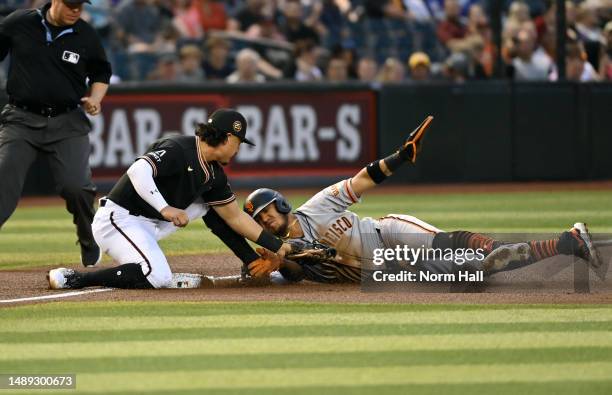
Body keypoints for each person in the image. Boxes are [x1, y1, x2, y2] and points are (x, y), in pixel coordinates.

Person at [240, 118, 599, 284]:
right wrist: (278, 260)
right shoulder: (279, 250)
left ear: (281, 204)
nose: (265, 220)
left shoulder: (316, 205)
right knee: (479, 270)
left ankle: (531, 245)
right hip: (388, 268)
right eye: (258, 219)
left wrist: (399, 157)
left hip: (387, 235)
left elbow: (362, 180)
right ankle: (569, 241)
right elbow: (295, 270)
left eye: (266, 211)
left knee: (452, 243)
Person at [47, 109, 293, 289]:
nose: (239, 149)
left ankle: (250, 265)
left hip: (149, 225)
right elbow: (138, 170)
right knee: (157, 276)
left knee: (212, 208)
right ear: (228, 138)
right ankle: (77, 278)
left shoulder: (214, 173)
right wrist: (165, 208)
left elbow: (235, 218)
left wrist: (277, 247)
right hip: (119, 219)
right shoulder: (179, 148)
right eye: (239, 142)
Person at [0, 0, 111, 267]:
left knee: (76, 187)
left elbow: (101, 71)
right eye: (71, 5)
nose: (76, 10)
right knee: (3, 178)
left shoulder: (85, 34)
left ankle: (88, 237)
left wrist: (96, 98)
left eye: (80, 6)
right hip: (21, 119)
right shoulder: (20, 22)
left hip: (67, 121)